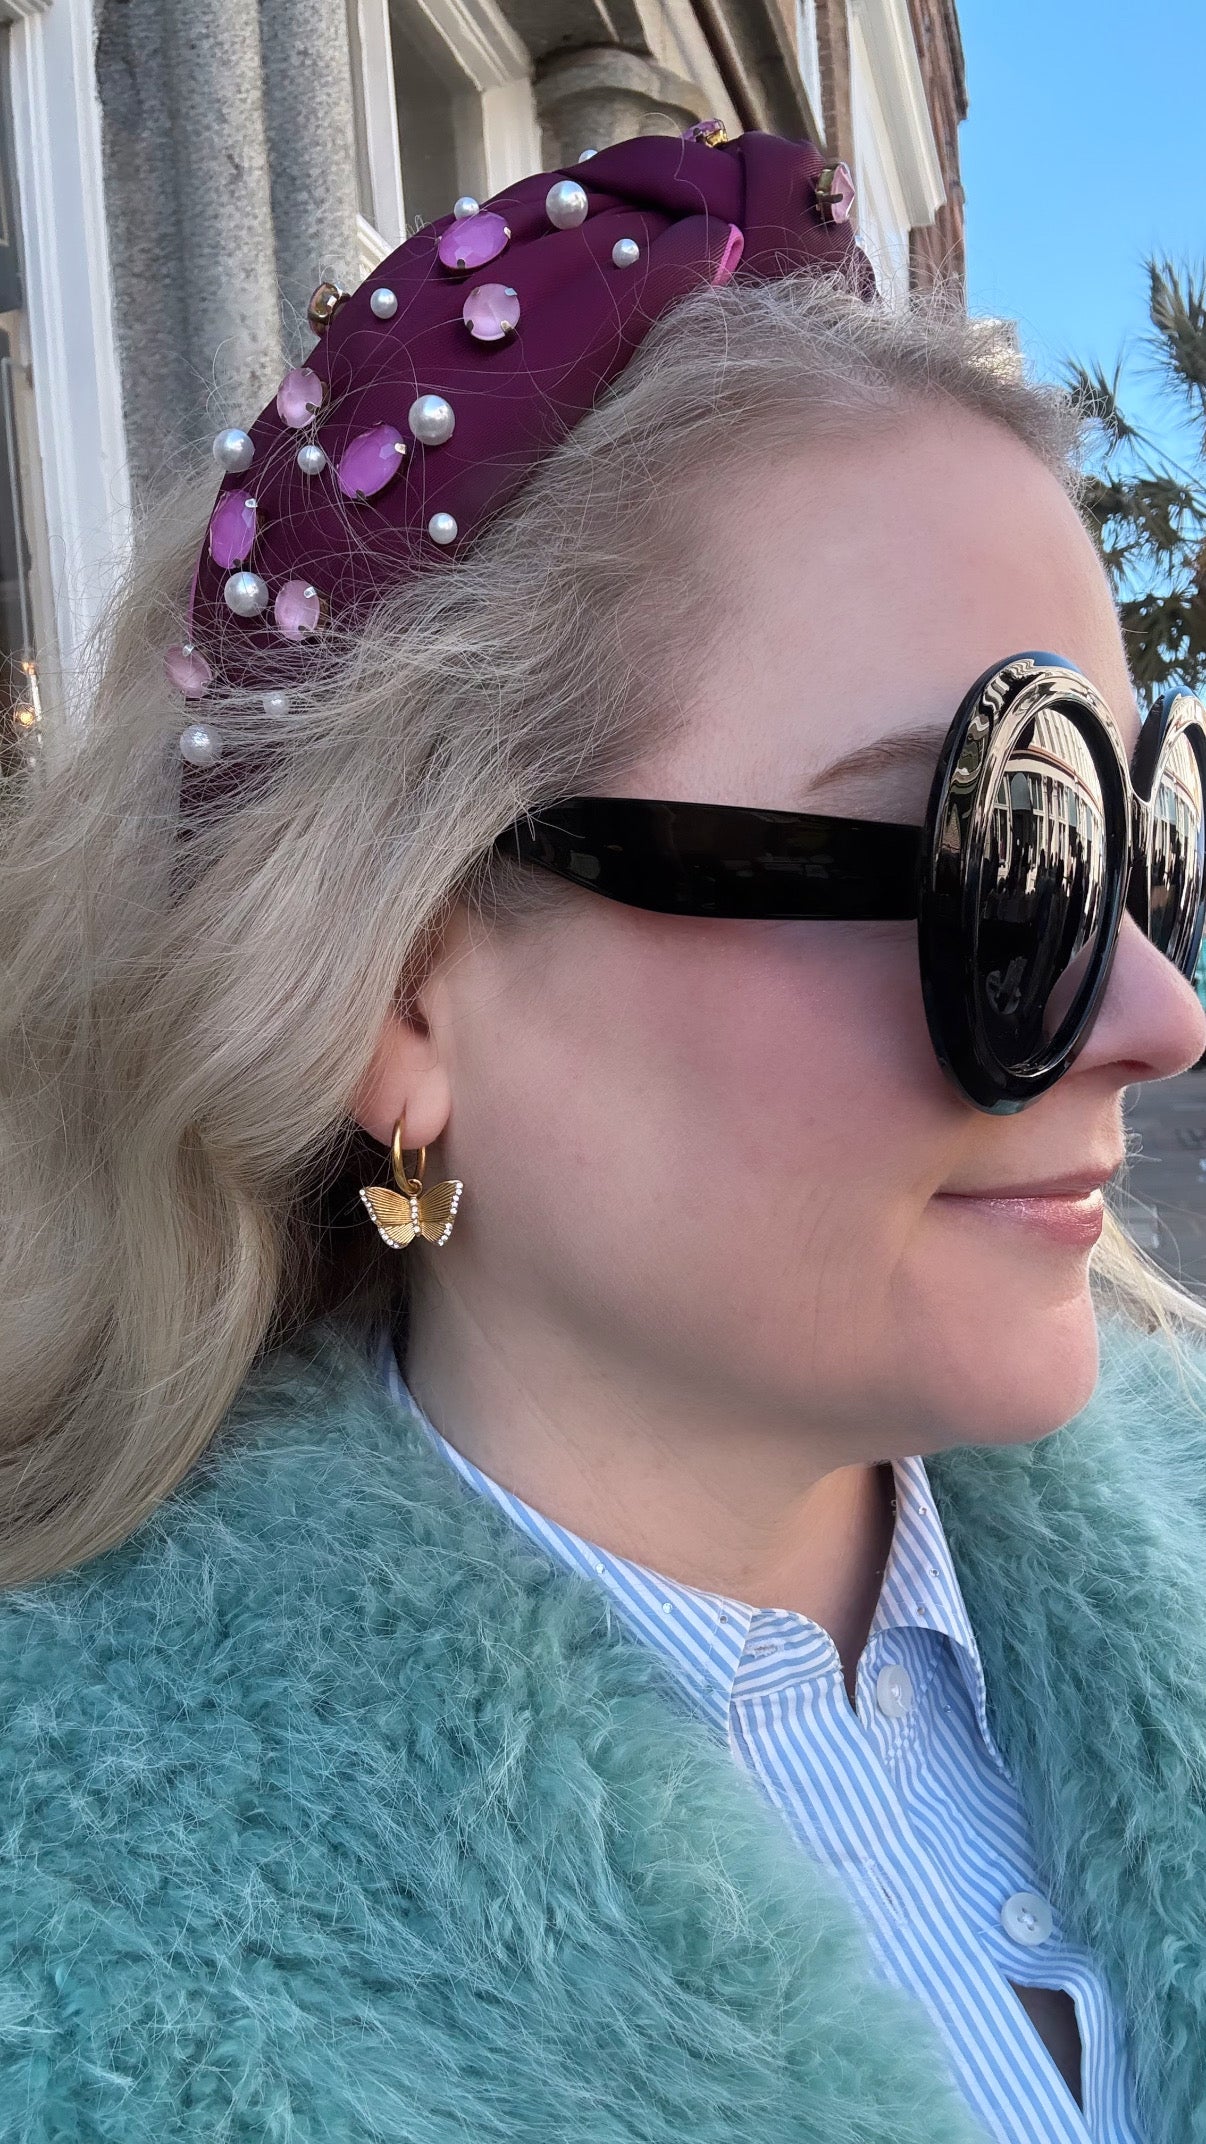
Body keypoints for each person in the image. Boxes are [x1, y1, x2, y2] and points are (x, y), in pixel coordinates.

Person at [1, 127, 1206, 2144]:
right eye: (996, 851)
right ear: (400, 988)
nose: (1160, 1016)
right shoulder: (82, 1966)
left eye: (1136, 838)